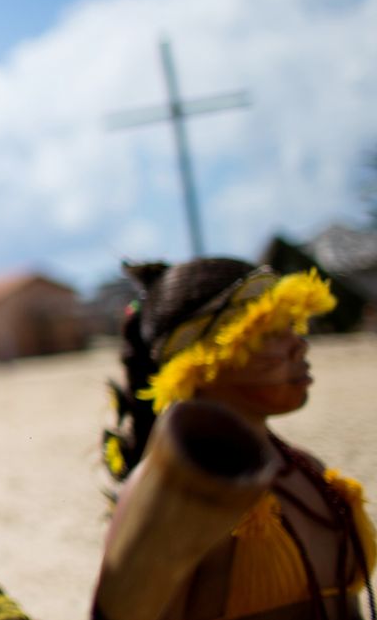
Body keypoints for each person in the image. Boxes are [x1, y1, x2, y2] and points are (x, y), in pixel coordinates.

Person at [96, 258, 376, 620]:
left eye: (293, 324)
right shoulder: (178, 495)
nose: (300, 344)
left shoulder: (307, 471)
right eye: (271, 331)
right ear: (202, 357)